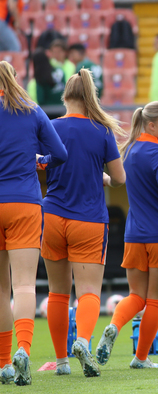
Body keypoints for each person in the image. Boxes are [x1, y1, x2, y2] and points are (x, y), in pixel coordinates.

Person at [95, 101, 158, 369]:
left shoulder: (129, 150)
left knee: (135, 296)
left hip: (134, 235)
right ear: (151, 125)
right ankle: (141, 358)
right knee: (154, 300)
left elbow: (117, 181)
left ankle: (114, 325)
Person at [41, 69, 126, 378]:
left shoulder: (49, 127)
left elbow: (41, 166)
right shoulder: (101, 130)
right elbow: (119, 178)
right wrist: (101, 177)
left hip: (52, 215)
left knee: (57, 292)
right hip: (89, 219)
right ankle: (82, 340)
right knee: (88, 291)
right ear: (91, 96)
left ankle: (61, 362)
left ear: (65, 95)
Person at [0, 60, 67, 386]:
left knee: (0, 288)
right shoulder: (32, 110)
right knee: (24, 284)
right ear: (15, 79)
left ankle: (2, 364)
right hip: (24, 202)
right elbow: (61, 154)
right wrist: (41, 160)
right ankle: (24, 350)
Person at [28, 48, 66, 118]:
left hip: (47, 113)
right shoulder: (60, 70)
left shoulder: (40, 76)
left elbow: (40, 99)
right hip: (64, 110)